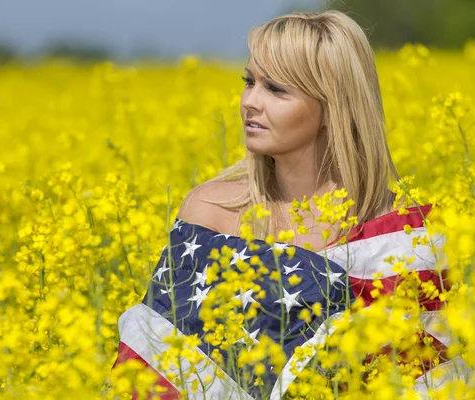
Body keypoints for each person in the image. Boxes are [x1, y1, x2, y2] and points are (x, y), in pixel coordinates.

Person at [111, 10, 455, 400]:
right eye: (249, 81)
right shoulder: (210, 214)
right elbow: (159, 369)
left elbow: (433, 380)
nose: (250, 102)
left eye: (275, 89)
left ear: (333, 105)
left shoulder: (404, 237)